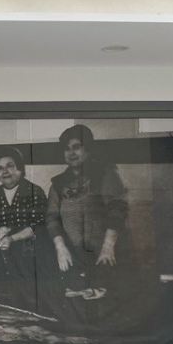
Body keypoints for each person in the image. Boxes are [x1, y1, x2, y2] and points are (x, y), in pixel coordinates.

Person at [46, 125, 128, 305]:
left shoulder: (106, 174)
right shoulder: (58, 184)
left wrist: (108, 245)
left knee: (106, 299)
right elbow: (52, 218)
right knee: (67, 298)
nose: (71, 153)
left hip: (104, 251)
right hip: (70, 253)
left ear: (88, 149)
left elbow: (117, 209)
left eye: (76, 147)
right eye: (67, 149)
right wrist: (60, 248)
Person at [0, 147, 47, 312]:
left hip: (27, 249)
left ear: (20, 168)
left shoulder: (34, 191)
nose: (5, 171)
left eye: (10, 166)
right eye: (0, 168)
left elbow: (39, 225)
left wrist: (11, 238)